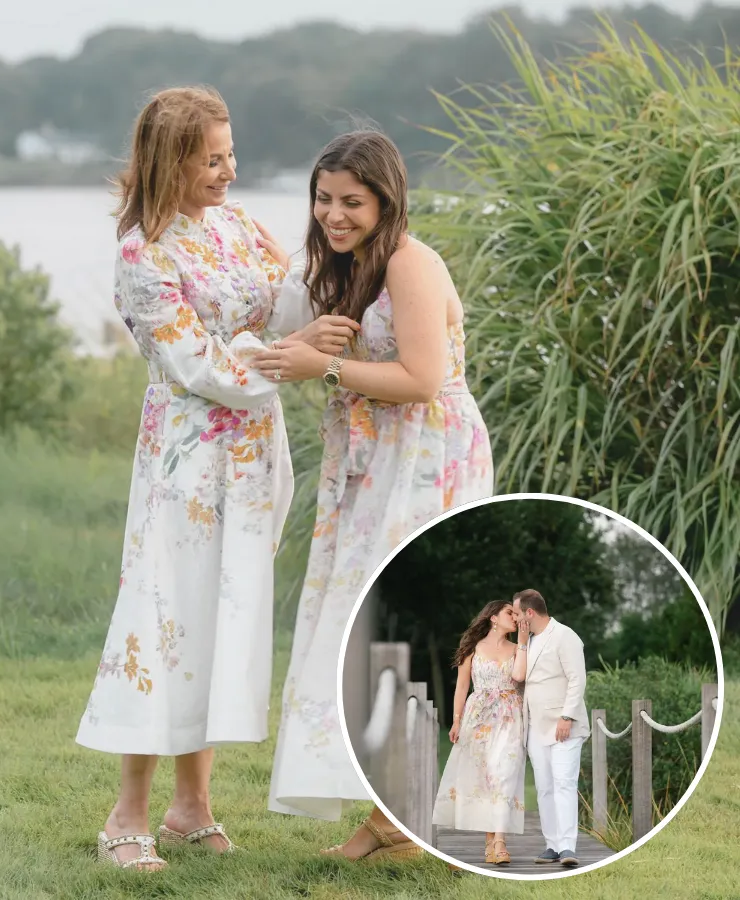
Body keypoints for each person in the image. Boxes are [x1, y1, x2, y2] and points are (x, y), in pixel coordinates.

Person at [75, 85, 358, 872]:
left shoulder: (234, 225)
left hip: (255, 456)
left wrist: (350, 254)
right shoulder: (144, 252)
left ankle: (190, 806)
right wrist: (298, 353)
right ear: (170, 160)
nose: (228, 171)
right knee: (163, 620)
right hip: (186, 461)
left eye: (231, 155)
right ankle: (124, 816)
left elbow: (286, 295)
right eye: (212, 159)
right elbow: (196, 363)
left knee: (221, 621)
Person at [252, 129, 494, 860]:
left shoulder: (411, 264)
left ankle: (403, 818)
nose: (334, 214)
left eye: (351, 202)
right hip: (368, 460)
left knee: (387, 623)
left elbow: (421, 380)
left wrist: (320, 370)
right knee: (359, 625)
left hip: (425, 457)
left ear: (386, 200)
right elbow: (284, 328)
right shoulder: (345, 267)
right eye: (323, 199)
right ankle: (394, 815)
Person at [432, 600, 529, 865]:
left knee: (504, 774)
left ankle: (500, 841)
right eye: (509, 612)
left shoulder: (520, 647)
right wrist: (455, 721)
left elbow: (520, 678)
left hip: (510, 715)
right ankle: (490, 842)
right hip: (479, 717)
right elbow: (462, 688)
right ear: (493, 618)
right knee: (487, 779)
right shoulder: (472, 649)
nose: (515, 616)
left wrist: (522, 640)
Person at [512, 589, 590, 867]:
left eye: (517, 613)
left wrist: (567, 717)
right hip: (535, 727)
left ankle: (569, 847)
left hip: (563, 726)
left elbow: (577, 679)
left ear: (529, 613)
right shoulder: (528, 642)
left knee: (564, 784)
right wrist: (521, 642)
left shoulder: (565, 636)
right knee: (545, 787)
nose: (515, 618)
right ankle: (552, 845)